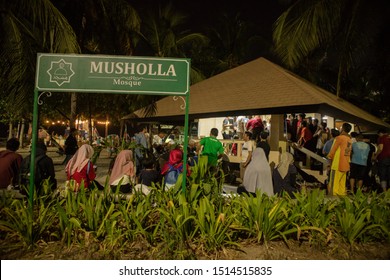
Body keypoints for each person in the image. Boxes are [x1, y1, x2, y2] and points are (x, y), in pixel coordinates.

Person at [327, 122, 352, 196]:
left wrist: (329, 160)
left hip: (337, 164)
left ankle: (334, 201)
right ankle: (342, 199)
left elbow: (332, 151)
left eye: (341, 127)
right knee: (342, 184)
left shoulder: (339, 138)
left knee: (334, 183)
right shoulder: (349, 139)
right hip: (345, 163)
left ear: (343, 129)